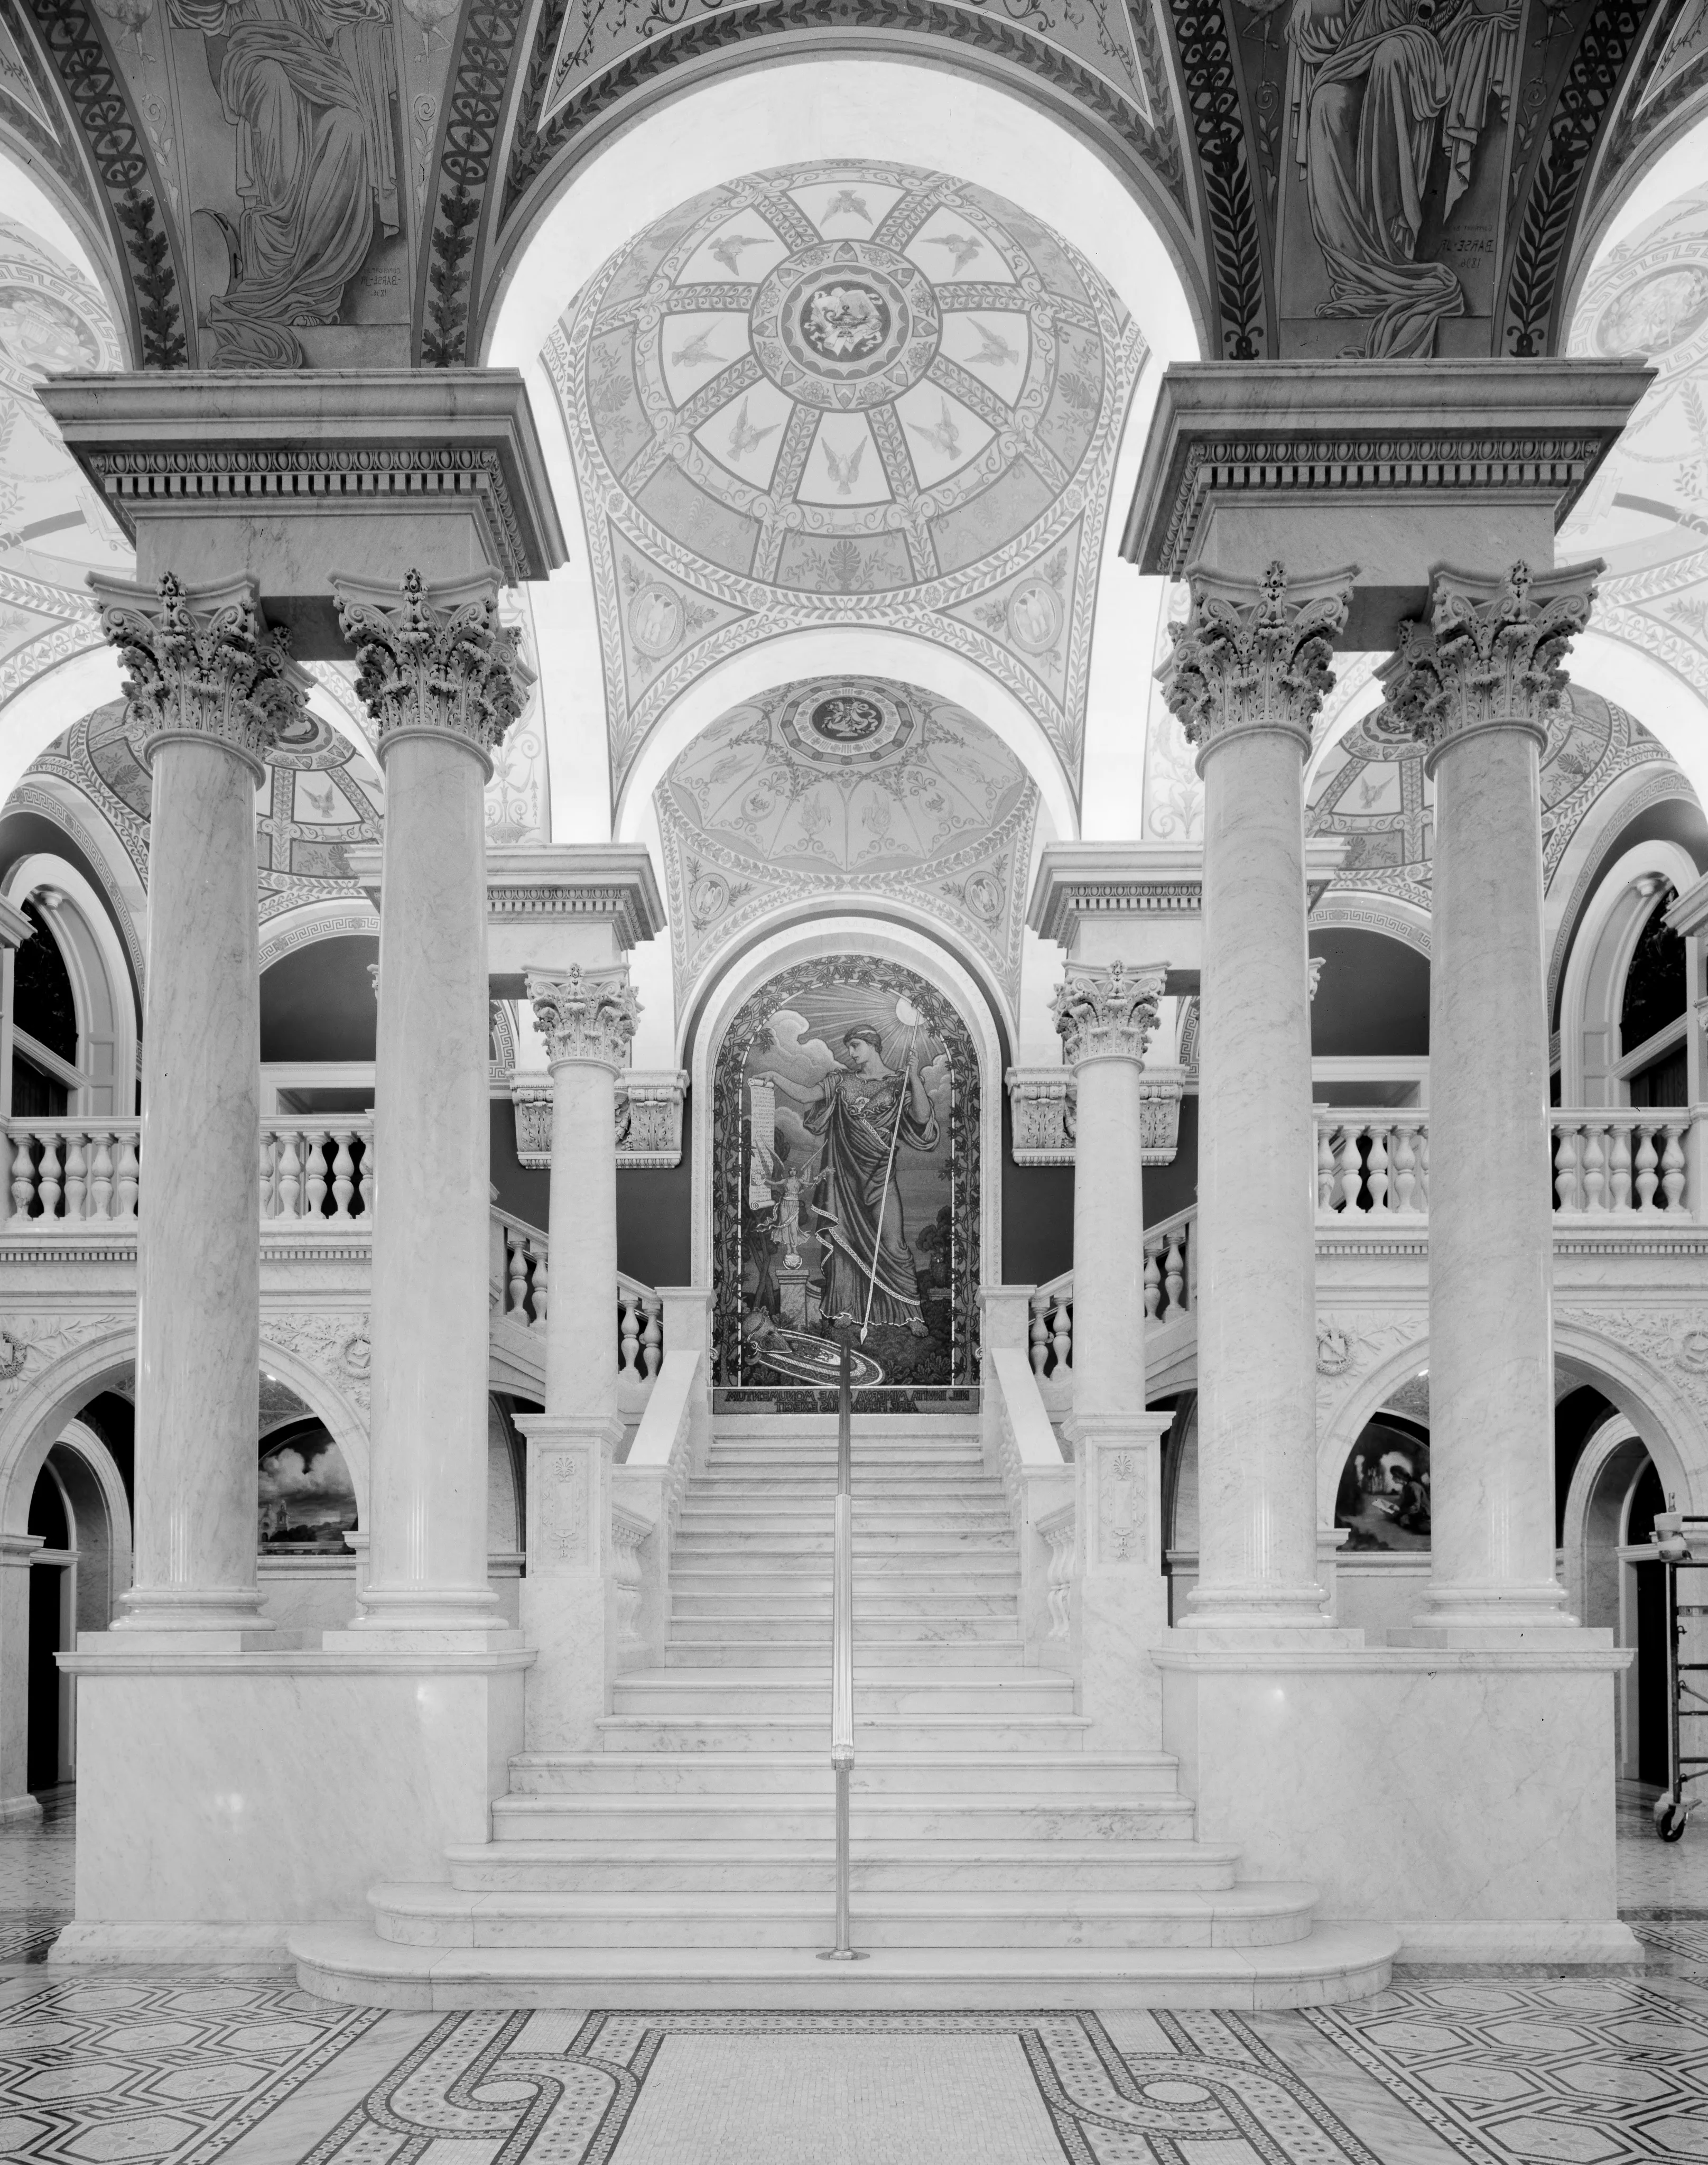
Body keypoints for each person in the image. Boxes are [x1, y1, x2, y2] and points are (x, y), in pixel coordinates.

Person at [771, 1024, 937, 1335]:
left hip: (880, 1175)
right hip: (846, 1177)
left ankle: (910, 1310)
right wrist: (776, 1077)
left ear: (873, 1045)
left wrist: (914, 1077)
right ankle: (846, 1307)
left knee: (894, 1241)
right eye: (849, 1047)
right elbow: (808, 1096)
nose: (850, 1052)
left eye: (856, 1045)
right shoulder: (842, 1082)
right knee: (844, 1241)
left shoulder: (899, 1083)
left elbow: (923, 1117)